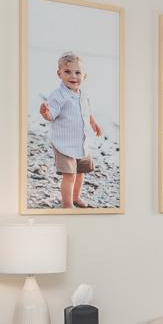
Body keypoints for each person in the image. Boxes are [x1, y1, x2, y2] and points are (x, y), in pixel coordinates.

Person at [38, 51, 102, 209]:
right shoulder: (57, 96)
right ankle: (67, 204)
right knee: (70, 175)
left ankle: (76, 197)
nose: (73, 76)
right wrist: (46, 113)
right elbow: (51, 115)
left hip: (81, 143)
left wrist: (94, 123)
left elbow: (87, 111)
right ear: (59, 73)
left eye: (78, 72)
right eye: (67, 71)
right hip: (64, 144)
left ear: (84, 76)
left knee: (80, 174)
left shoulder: (84, 95)